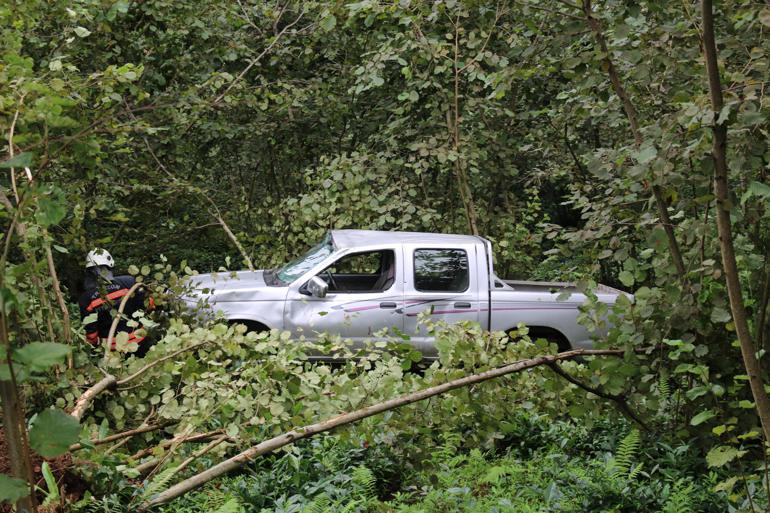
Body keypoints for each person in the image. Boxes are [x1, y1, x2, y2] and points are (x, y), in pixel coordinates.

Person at [78, 248, 154, 356]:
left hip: (112, 350)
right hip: (139, 341)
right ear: (110, 265)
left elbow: (91, 335)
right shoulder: (129, 282)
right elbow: (149, 305)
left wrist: (94, 348)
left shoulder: (86, 298)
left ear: (89, 271)